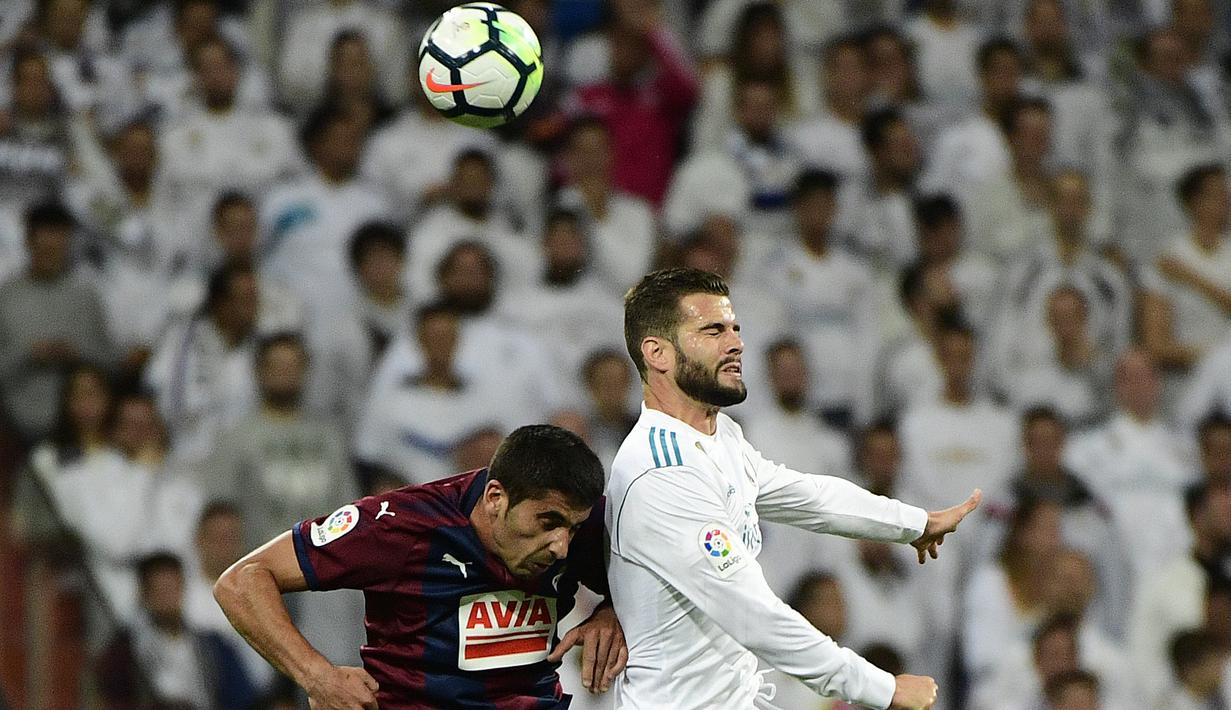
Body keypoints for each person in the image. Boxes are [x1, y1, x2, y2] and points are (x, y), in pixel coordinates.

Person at [606, 267, 981, 709]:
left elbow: (806, 495)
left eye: (735, 328)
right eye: (713, 330)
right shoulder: (662, 473)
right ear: (658, 354)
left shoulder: (718, 435)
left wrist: (913, 522)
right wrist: (882, 688)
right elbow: (753, 613)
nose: (736, 343)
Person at [215, 425, 627, 709]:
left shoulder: (579, 525)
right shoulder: (402, 526)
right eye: (548, 523)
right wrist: (316, 675)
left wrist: (613, 609)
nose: (561, 546)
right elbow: (242, 581)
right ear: (496, 498)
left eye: (571, 528)